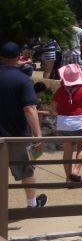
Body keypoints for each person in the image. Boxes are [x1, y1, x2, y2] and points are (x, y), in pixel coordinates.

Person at [0, 42, 47, 208]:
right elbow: (29, 108)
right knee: (26, 169)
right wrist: (38, 134)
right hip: (16, 135)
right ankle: (32, 204)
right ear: (18, 57)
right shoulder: (23, 80)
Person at [50, 64, 82, 184]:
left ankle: (68, 179)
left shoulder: (59, 91)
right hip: (77, 122)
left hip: (62, 123)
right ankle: (76, 171)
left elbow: (54, 110)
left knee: (67, 151)